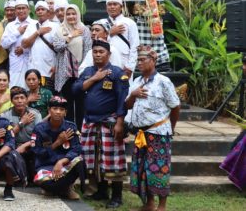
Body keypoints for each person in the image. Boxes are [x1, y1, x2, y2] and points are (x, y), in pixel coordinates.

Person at [73, 40, 129, 208]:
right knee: (95, 160)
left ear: (109, 54)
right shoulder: (88, 71)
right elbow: (75, 90)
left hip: (109, 123)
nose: (97, 54)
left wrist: (120, 123)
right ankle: (102, 191)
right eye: (95, 51)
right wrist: (95, 78)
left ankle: (117, 196)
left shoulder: (118, 73)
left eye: (101, 52)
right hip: (90, 122)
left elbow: (122, 101)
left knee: (112, 161)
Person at [125, 46, 180, 211]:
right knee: (143, 168)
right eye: (138, 60)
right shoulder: (137, 81)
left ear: (153, 60)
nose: (139, 63)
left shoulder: (163, 81)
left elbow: (175, 107)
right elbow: (127, 105)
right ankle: (149, 203)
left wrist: (171, 127)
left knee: (159, 169)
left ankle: (162, 206)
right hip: (141, 134)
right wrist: (133, 94)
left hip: (158, 133)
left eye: (143, 60)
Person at [32, 96, 83, 200]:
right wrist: (58, 142)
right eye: (55, 109)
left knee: (81, 162)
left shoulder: (71, 127)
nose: (58, 112)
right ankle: (64, 189)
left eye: (62, 109)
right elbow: (37, 152)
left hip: (65, 165)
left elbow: (77, 149)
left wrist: (61, 162)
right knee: (48, 185)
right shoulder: (39, 129)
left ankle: (65, 188)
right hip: (45, 165)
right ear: (49, 110)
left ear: (65, 112)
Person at [53, 4, 92, 128]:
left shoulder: (84, 29)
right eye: (68, 14)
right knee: (67, 104)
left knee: (81, 103)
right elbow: (58, 47)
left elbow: (88, 50)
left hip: (79, 72)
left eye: (73, 13)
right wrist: (71, 36)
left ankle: (80, 130)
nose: (71, 16)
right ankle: (69, 131)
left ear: (78, 14)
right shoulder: (60, 30)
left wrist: (85, 70)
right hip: (65, 73)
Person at [2, 87, 42, 181]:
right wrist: (22, 123)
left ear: (26, 99)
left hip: (31, 147)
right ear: (11, 101)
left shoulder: (35, 114)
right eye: (16, 98)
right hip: (13, 148)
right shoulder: (6, 115)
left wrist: (25, 146)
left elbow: (40, 136)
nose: (19, 101)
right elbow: (6, 136)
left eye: (22, 98)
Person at [22, 0, 59, 90]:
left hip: (49, 67)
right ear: (35, 13)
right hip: (33, 68)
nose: (40, 11)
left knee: (47, 94)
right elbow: (24, 44)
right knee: (34, 94)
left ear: (48, 12)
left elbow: (61, 48)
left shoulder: (55, 26)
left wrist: (57, 65)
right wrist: (38, 32)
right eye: (38, 10)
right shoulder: (31, 26)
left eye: (43, 9)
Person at [1, 0, 36, 89]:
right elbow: (4, 44)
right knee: (14, 88)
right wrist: (17, 32)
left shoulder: (35, 24)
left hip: (31, 61)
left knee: (31, 88)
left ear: (28, 10)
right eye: (18, 8)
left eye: (23, 8)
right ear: (15, 11)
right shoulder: (10, 26)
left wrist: (24, 49)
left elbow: (38, 44)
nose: (21, 11)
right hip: (15, 62)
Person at [105, 0, 139, 78]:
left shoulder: (130, 23)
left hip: (124, 62)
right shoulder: (101, 23)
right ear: (106, 7)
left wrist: (130, 67)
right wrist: (110, 33)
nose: (112, 7)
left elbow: (135, 45)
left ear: (121, 7)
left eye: (115, 4)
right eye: (109, 4)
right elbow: (97, 42)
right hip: (106, 62)